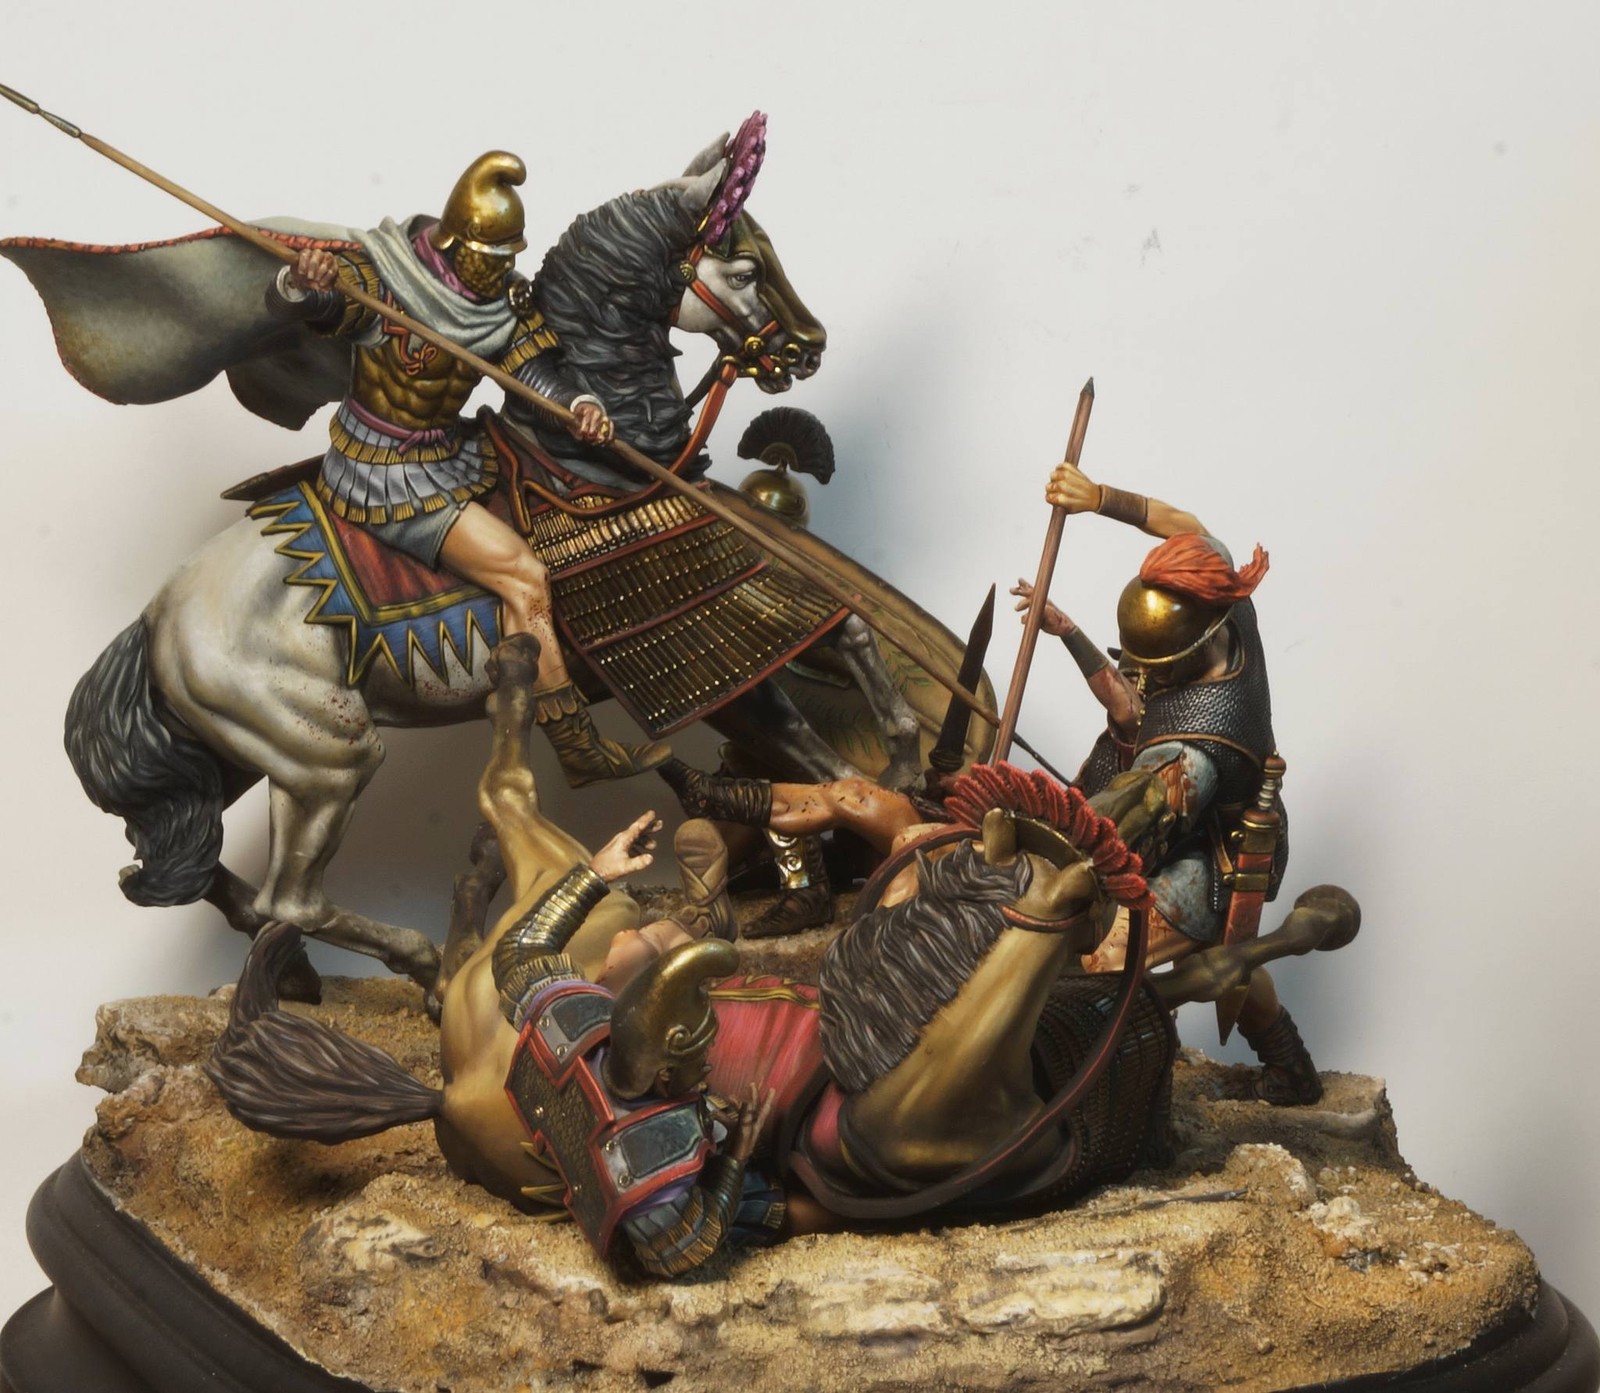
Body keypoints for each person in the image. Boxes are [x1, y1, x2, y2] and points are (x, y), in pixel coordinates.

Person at [266, 151, 668, 788]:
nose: (504, 268)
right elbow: (322, 309)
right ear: (454, 244)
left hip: (453, 454)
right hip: (384, 472)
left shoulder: (503, 297)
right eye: (492, 255)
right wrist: (303, 283)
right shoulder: (385, 282)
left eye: (511, 255)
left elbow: (531, 373)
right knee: (524, 575)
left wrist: (578, 406)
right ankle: (577, 745)